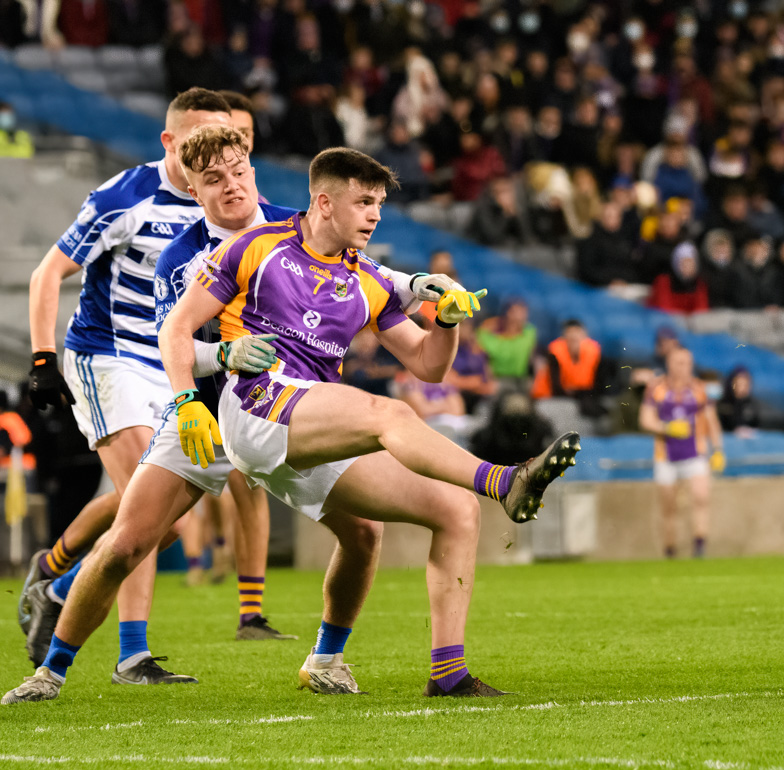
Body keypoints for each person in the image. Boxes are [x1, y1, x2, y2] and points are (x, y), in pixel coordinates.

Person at [4, 147, 581, 705]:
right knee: (127, 543)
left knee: (437, 516)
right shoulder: (217, 251)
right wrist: (188, 396)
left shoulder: (355, 267)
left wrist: (447, 320)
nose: (376, 215)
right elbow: (175, 336)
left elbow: (429, 365)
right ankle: (49, 671)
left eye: (240, 172)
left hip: (300, 418)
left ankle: (431, 671)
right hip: (220, 410)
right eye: (365, 203)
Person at [20, 88, 233, 685]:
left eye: (224, 141)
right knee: (147, 504)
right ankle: (131, 655)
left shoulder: (228, 196)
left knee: (157, 520)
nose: (212, 154)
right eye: (197, 142)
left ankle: (57, 579)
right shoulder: (125, 196)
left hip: (175, 363)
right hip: (108, 356)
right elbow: (48, 271)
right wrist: (42, 359)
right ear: (170, 142)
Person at [639, 347, 724, 559]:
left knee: (700, 497)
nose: (684, 367)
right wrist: (667, 428)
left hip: (695, 453)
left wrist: (718, 449)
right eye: (679, 362)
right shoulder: (656, 389)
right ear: (669, 364)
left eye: (687, 363)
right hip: (665, 456)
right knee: (669, 507)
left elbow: (712, 421)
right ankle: (670, 549)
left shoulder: (700, 389)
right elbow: (645, 420)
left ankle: (699, 545)